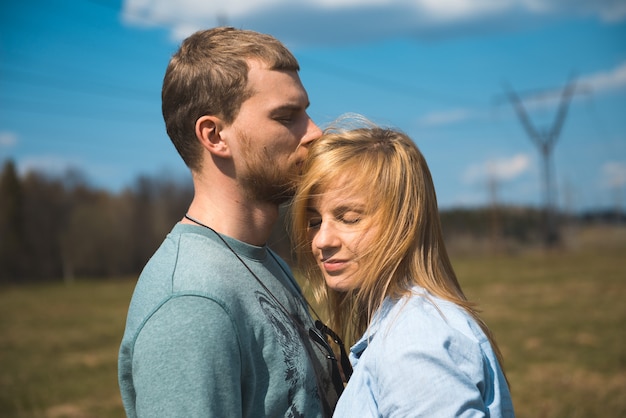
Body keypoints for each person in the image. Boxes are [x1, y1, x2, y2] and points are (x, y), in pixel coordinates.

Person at [118, 27, 342, 417]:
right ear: (215, 135)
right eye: (287, 117)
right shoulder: (190, 303)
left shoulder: (262, 260)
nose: (315, 133)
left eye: (305, 111)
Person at [290, 117, 515, 417]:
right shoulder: (409, 326)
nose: (321, 240)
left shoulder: (414, 341)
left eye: (350, 218)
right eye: (314, 222)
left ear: (404, 223)